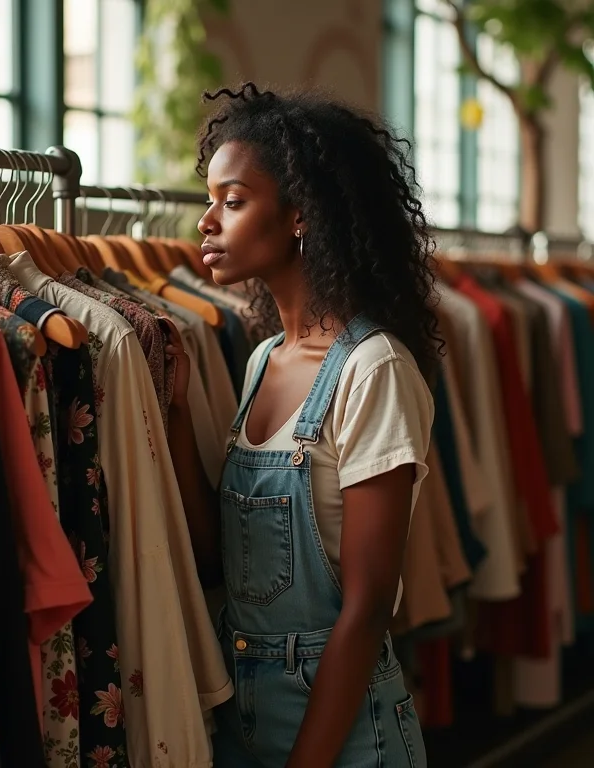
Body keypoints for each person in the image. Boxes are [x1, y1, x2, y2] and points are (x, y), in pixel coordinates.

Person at [165, 82, 439, 767]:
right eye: (210, 201)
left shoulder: (373, 369)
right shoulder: (261, 361)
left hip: (347, 738)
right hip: (242, 724)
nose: (207, 222)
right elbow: (216, 564)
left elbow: (369, 606)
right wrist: (169, 411)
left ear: (299, 216)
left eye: (232, 201)